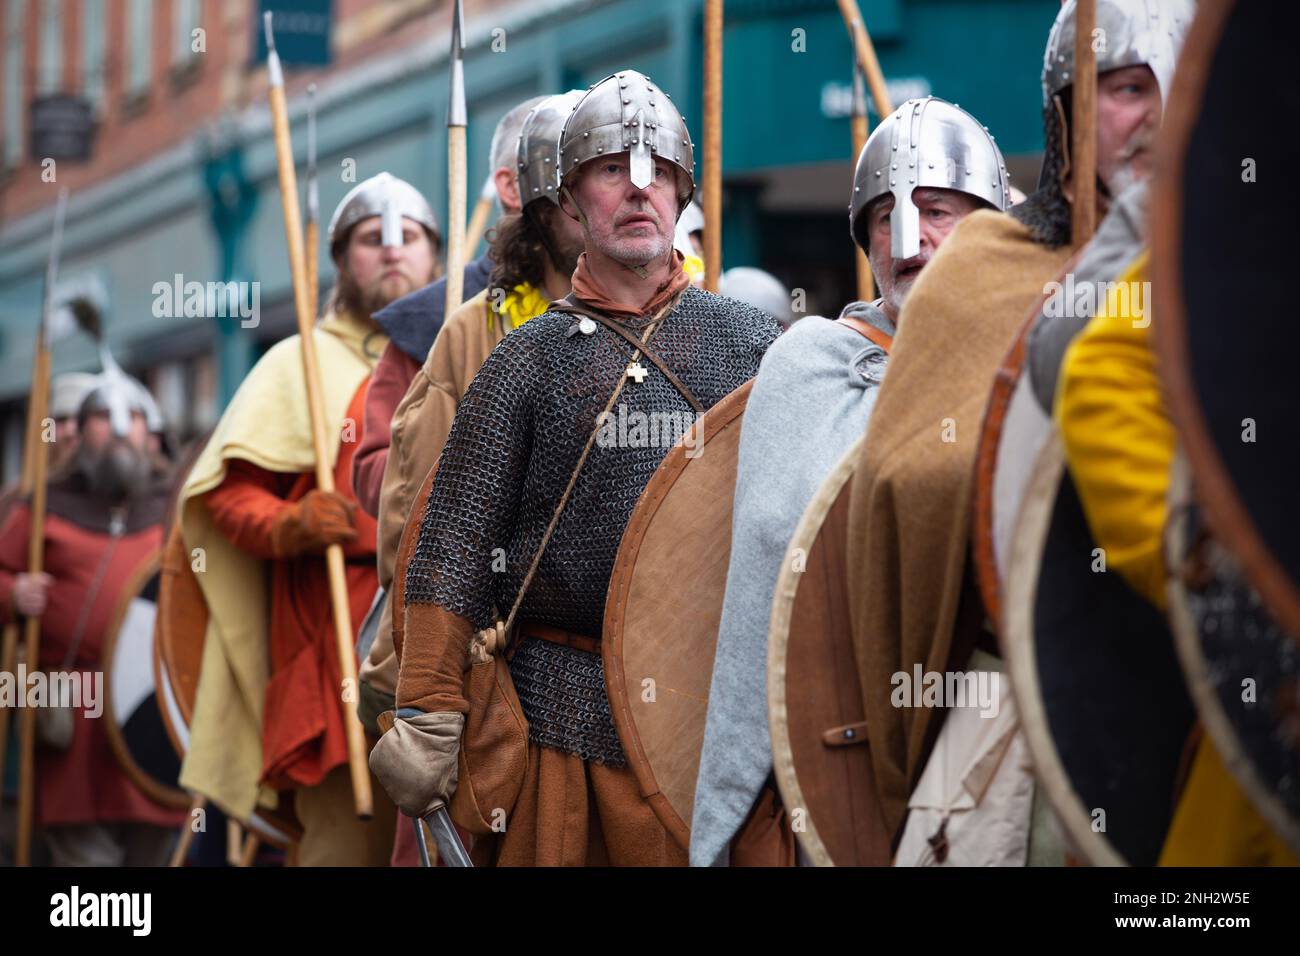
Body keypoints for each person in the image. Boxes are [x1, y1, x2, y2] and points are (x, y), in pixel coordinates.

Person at [370, 70, 781, 866]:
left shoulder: (754, 347)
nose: (638, 191)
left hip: (709, 720)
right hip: (561, 721)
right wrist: (427, 710)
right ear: (568, 202)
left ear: (683, 195)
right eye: (610, 170)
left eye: (658, 171)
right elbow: (451, 546)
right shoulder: (522, 360)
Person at [844, 0, 1192, 855]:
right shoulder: (981, 274)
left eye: (1169, 85)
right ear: (1068, 109)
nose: (1147, 111)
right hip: (1011, 697)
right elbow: (902, 504)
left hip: (1225, 699)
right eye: (1117, 86)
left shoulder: (1245, 264)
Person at [691, 98, 1009, 866]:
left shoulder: (1027, 360)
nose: (911, 238)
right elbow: (768, 572)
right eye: (885, 218)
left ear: (992, 229)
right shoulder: (811, 362)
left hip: (987, 711)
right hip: (839, 730)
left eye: (936, 210)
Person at [174, 172, 438, 866]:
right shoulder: (297, 362)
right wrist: (293, 524)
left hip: (442, 627)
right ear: (341, 260)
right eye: (368, 239)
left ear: (437, 256)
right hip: (337, 637)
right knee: (346, 840)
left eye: (409, 237)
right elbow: (227, 500)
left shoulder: (459, 345)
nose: (391, 252)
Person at [357, 91, 588, 865]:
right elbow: (405, 508)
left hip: (629, 673)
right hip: (487, 664)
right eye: (576, 187)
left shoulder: (696, 332)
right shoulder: (463, 329)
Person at [0, 372, 182, 865]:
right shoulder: (41, 507)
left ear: (152, 432)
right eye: (103, 416)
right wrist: (12, 592)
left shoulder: (174, 507)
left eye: (136, 417)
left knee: (152, 849)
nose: (122, 428)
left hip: (151, 704)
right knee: (85, 860)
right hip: (73, 704)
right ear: (83, 431)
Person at [352, 97, 548, 518]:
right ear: (511, 187)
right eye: (563, 168)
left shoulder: (629, 308)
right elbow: (377, 475)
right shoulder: (432, 318)